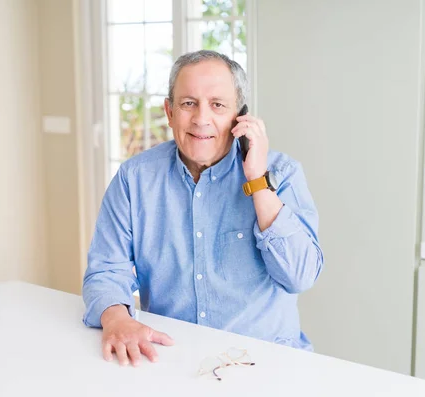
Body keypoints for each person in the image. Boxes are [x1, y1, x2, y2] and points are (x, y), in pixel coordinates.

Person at [82, 50, 324, 366]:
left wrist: (257, 181)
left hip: (267, 363)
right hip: (173, 361)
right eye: (188, 103)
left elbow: (301, 277)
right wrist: (116, 318)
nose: (201, 119)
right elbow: (105, 269)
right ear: (169, 112)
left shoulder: (283, 173)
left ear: (241, 116)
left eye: (218, 105)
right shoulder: (134, 179)